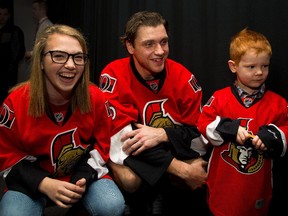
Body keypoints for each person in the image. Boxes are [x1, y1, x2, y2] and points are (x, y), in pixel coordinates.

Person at [0, 24, 125, 216]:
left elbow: (102, 146)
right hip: (32, 181)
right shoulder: (15, 103)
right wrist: (44, 183)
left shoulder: (96, 98)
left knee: (111, 205)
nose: (70, 65)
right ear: (41, 61)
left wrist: (81, 179)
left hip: (79, 176)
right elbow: (6, 155)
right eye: (59, 56)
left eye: (78, 57)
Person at [99, 11, 209, 215]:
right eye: (149, 44)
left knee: (199, 167)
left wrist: (163, 134)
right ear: (130, 46)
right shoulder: (114, 74)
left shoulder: (183, 77)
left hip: (166, 150)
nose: (160, 51)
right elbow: (123, 141)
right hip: (130, 151)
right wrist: (182, 169)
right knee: (131, 180)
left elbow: (199, 138)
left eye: (164, 42)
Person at [197, 28, 288, 216]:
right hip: (223, 187)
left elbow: (286, 129)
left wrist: (273, 135)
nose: (259, 72)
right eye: (251, 67)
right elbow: (203, 123)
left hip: (258, 189)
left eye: (264, 66)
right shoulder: (220, 98)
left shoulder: (278, 103)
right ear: (233, 66)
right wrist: (227, 128)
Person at [0, 3, 25, 104]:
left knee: (7, 98)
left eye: (5, 14)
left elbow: (19, 52)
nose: (2, 17)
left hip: (8, 72)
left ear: (9, 15)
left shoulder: (15, 31)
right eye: (0, 14)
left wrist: (11, 67)